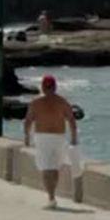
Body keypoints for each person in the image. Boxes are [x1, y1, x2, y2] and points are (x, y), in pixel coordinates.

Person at [24, 74, 79, 209]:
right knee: (53, 168)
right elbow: (72, 121)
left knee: (47, 168)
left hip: (43, 137)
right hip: (58, 137)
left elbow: (28, 121)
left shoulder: (36, 103)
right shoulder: (62, 102)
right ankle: (52, 195)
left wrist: (26, 136)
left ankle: (51, 197)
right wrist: (73, 138)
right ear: (55, 87)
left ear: (43, 87)